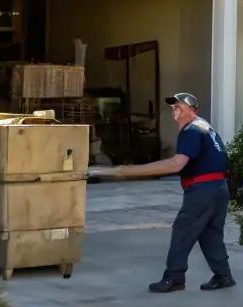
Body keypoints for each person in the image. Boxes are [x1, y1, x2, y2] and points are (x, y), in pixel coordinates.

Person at [87, 92, 235, 293]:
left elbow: (176, 164)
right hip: (219, 187)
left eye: (179, 106)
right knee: (210, 233)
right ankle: (223, 275)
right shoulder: (204, 126)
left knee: (183, 231)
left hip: (203, 189)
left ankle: (174, 278)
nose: (175, 109)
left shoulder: (191, 130)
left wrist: (127, 171)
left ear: (191, 109)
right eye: (174, 106)